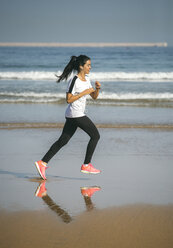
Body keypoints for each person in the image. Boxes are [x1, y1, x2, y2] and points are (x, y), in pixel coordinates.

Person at [35, 55, 101, 180]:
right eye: (88, 65)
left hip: (73, 115)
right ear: (81, 66)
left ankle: (42, 163)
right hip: (76, 114)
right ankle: (86, 165)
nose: (90, 67)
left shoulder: (87, 79)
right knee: (95, 136)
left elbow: (94, 96)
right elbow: (68, 99)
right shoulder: (74, 80)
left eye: (90, 65)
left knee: (63, 141)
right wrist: (83, 93)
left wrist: (97, 89)